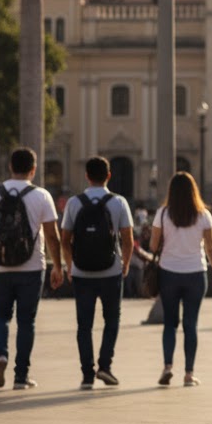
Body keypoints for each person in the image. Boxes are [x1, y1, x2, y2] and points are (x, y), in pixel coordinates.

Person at [0, 147, 63, 390]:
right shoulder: (42, 196)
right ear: (33, 170)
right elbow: (52, 237)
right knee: (26, 322)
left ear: (10, 167)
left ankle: (0, 356)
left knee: (0, 317)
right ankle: (21, 377)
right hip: (32, 267)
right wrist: (58, 266)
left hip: (0, 267)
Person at [59, 156, 134, 389]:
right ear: (108, 176)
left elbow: (65, 239)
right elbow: (127, 238)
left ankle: (87, 375)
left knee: (84, 325)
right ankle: (105, 366)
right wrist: (126, 263)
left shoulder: (74, 202)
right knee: (112, 321)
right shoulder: (119, 202)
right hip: (111, 271)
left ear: (86, 176)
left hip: (82, 272)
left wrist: (70, 264)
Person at [151, 172, 212, 387]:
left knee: (170, 323)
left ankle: (167, 367)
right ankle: (188, 374)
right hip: (196, 274)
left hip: (169, 273)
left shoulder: (163, 214)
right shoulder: (203, 215)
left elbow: (153, 246)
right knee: (190, 324)